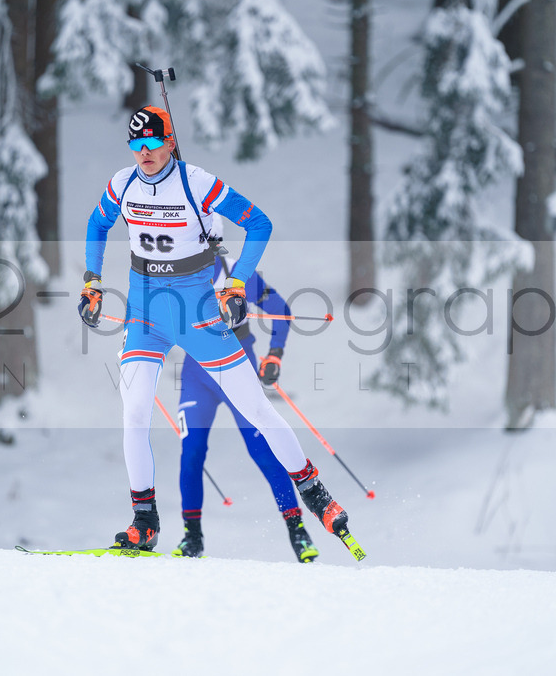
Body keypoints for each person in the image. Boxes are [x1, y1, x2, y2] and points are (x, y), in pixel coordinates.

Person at [78, 105, 352, 553]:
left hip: (199, 315)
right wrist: (92, 280)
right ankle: (144, 520)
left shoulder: (196, 183)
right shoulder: (122, 184)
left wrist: (238, 282)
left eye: (152, 143)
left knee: (257, 411)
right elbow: (96, 223)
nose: (144, 153)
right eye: (136, 145)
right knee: (134, 413)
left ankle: (315, 493)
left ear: (170, 141)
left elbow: (259, 223)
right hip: (145, 317)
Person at [172, 238, 319, 563]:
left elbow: (281, 310)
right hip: (197, 374)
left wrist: (275, 356)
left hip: (238, 364)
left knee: (263, 450)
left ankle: (297, 529)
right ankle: (192, 537)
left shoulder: (236, 272)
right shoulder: (174, 272)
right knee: (191, 452)